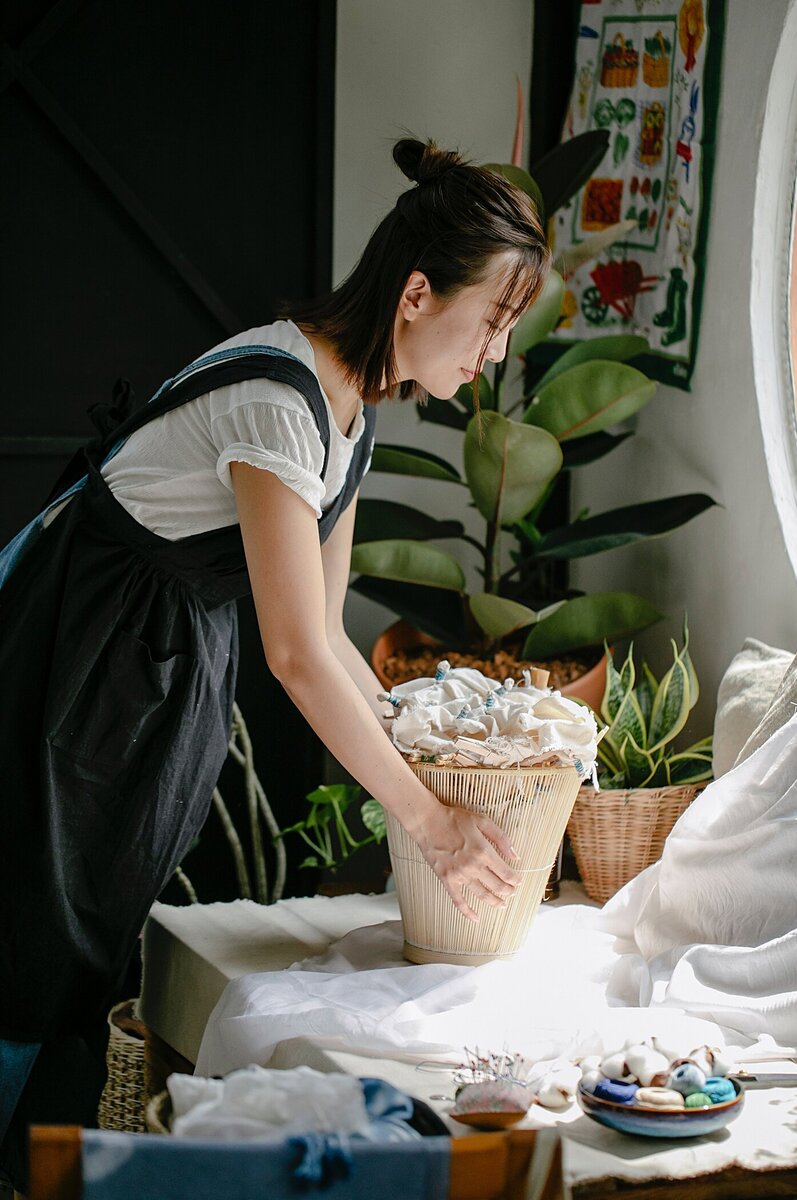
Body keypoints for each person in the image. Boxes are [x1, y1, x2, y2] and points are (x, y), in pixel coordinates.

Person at [0, 136, 550, 1187]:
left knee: (90, 935)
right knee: (30, 938)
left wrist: (425, 748)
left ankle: (44, 1165)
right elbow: (294, 656)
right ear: (418, 295)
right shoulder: (280, 397)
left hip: (159, 669)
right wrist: (426, 823)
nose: (493, 352)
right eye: (491, 320)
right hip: (85, 660)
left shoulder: (350, 411)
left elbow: (332, 629)